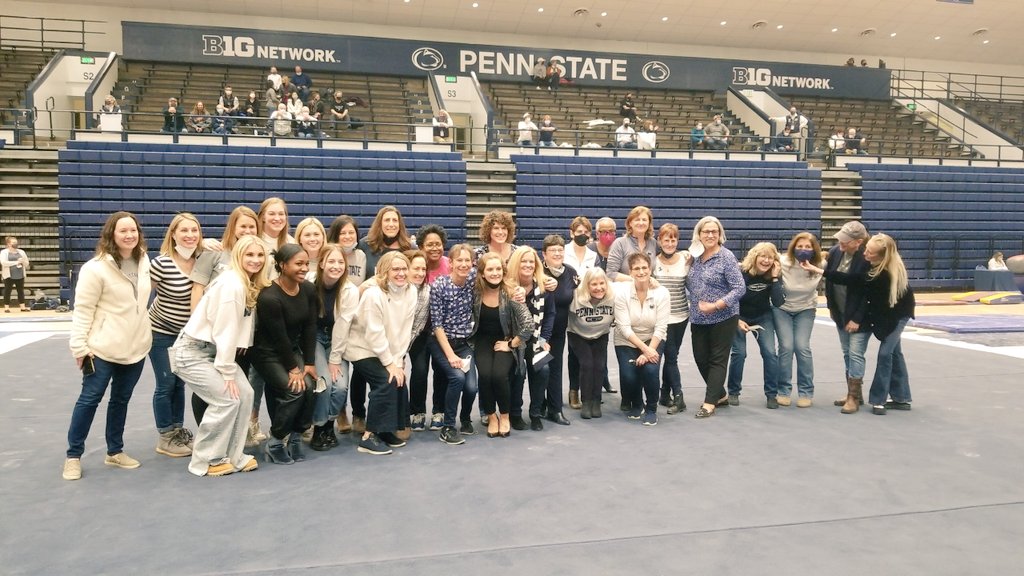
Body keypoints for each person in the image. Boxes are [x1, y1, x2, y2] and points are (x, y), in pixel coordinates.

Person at [63, 212, 152, 481]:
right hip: (101, 349)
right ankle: (73, 456)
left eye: (133, 230)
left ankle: (115, 451)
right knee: (89, 400)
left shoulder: (145, 261)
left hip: (136, 347)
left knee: (121, 400)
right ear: (111, 234)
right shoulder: (95, 268)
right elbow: (83, 310)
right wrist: (79, 347)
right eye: (123, 231)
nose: (129, 235)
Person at [171, 235, 267, 477]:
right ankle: (207, 459)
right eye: (249, 255)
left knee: (245, 394)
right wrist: (226, 372)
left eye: (259, 255)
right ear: (238, 256)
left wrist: (240, 347)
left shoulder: (245, 281)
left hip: (212, 352)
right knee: (227, 398)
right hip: (191, 352)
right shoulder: (232, 285)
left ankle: (235, 455)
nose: (255, 260)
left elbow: (239, 324)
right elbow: (225, 331)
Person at [803, 234, 915, 415]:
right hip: (884, 315)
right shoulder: (873, 269)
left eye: (870, 253)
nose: (865, 254)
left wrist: (881, 328)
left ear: (881, 257)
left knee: (886, 354)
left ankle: (878, 400)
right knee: (895, 353)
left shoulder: (886, 274)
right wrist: (820, 271)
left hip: (897, 316)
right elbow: (850, 279)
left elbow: (887, 303)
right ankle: (902, 398)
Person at [345, 252, 417, 455]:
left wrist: (398, 362)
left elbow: (405, 330)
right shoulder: (373, 294)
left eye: (404, 269)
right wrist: (389, 363)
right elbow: (373, 333)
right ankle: (369, 437)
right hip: (363, 348)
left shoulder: (411, 291)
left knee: (399, 379)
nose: (401, 273)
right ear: (385, 271)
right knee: (386, 381)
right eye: (395, 269)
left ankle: (385, 430)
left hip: (389, 350)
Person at [252, 244, 318, 465]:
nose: (304, 268)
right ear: (282, 265)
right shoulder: (269, 297)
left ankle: (296, 437)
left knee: (311, 386)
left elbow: (310, 327)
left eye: (306, 263)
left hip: (291, 350)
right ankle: (276, 441)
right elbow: (278, 336)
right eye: (298, 264)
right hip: (267, 354)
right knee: (295, 390)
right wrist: (293, 369)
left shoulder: (308, 289)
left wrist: (308, 363)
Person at [148, 213, 203, 459]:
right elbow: (141, 295)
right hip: (161, 331)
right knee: (166, 383)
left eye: (194, 230)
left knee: (180, 383)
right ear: (173, 234)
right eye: (184, 231)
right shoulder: (161, 263)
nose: (190, 235)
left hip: (187, 335)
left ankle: (178, 431)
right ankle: (165, 436)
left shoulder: (203, 259)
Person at [686, 216, 746, 419]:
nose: (710, 235)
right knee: (700, 358)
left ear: (720, 234)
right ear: (699, 235)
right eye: (706, 232)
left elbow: (739, 288)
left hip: (724, 316)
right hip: (698, 317)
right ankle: (719, 394)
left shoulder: (726, 257)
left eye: (714, 231)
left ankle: (709, 402)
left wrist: (716, 305)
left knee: (718, 360)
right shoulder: (694, 257)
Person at [472, 252, 533, 438]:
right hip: (482, 341)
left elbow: (528, 324)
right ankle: (491, 416)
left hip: (505, 340)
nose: (495, 273)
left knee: (499, 375)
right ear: (482, 273)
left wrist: (511, 344)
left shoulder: (511, 292)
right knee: (485, 375)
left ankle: (505, 416)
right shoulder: (475, 291)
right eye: (490, 269)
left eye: (498, 269)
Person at [309, 243, 359, 450]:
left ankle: (329, 424)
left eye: (340, 262)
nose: (336, 266)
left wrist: (335, 359)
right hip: (314, 338)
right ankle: (319, 428)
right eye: (331, 261)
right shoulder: (308, 283)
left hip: (338, 340)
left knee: (340, 386)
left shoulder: (350, 290)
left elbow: (343, 325)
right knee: (325, 383)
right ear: (321, 263)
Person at [429, 244, 479, 444]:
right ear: (450, 263)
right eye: (459, 260)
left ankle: (465, 418)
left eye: (468, 260)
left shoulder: (474, 280)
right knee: (457, 378)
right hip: (441, 343)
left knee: (472, 388)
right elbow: (437, 325)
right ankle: (448, 427)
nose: (464, 264)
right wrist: (450, 355)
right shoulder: (439, 285)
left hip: (464, 342)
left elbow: (500, 274)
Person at [820, 221, 871, 414]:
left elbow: (867, 293)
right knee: (847, 353)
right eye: (840, 239)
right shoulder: (835, 252)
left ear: (858, 242)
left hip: (860, 316)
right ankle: (852, 391)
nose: (840, 243)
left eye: (845, 241)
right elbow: (831, 281)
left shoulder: (867, 257)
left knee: (856, 353)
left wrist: (857, 318)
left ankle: (853, 398)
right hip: (840, 313)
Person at [614, 253, 670, 426]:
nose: (641, 271)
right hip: (626, 340)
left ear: (650, 269)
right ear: (630, 272)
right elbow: (623, 327)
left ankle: (651, 408)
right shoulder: (621, 292)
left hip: (652, 339)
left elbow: (661, 327)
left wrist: (648, 351)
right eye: (636, 268)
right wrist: (644, 350)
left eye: (644, 267)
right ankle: (637, 403)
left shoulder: (662, 293)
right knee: (629, 376)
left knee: (650, 371)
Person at [727, 242, 783, 408]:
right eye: (763, 256)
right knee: (739, 353)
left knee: (770, 353)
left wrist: (774, 278)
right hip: (739, 315)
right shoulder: (741, 272)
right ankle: (733, 391)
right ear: (754, 257)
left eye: (770, 257)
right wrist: (737, 320)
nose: (766, 260)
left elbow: (779, 302)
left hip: (762, 317)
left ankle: (772, 394)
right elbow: (730, 299)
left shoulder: (774, 274)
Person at [506, 246, 555, 431]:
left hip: (536, 340)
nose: (527, 265)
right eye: (523, 261)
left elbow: (550, 315)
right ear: (516, 264)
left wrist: (544, 340)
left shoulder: (544, 286)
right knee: (519, 373)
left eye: (531, 261)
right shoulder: (507, 287)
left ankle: (535, 413)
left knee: (544, 370)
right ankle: (515, 414)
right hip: (514, 341)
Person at [773, 232, 823, 407]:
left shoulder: (820, 264)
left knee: (802, 347)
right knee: (786, 347)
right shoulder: (782, 261)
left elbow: (834, 275)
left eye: (808, 247)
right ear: (793, 247)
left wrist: (817, 269)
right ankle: (783, 390)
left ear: (813, 249)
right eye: (800, 246)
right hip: (782, 309)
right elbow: (758, 259)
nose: (803, 250)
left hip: (806, 309)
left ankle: (806, 391)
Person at [567, 267, 615, 419]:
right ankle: (586, 401)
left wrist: (653, 282)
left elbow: (634, 283)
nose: (599, 288)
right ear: (586, 285)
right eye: (594, 284)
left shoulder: (614, 295)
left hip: (601, 334)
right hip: (578, 334)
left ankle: (596, 400)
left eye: (602, 283)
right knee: (587, 364)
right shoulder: (575, 296)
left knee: (599, 366)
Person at [541, 235, 578, 426]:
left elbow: (582, 294)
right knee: (539, 369)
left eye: (560, 250)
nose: (557, 253)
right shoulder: (537, 271)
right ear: (544, 254)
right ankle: (537, 407)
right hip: (537, 332)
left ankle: (555, 410)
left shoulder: (571, 272)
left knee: (555, 368)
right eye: (552, 250)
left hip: (559, 332)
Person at [653, 223, 690, 414]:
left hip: (681, 316)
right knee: (671, 356)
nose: (670, 243)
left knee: (670, 356)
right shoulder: (653, 262)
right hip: (660, 318)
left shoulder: (685, 260)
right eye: (666, 239)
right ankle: (678, 396)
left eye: (673, 239)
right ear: (659, 241)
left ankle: (664, 393)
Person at [359, 205, 414, 281]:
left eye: (395, 220)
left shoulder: (410, 247)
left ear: (399, 224)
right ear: (380, 223)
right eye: (387, 220)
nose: (391, 224)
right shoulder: (365, 244)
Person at [606, 205, 656, 282]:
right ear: (630, 223)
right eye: (637, 220)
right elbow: (610, 274)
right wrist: (636, 280)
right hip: (625, 291)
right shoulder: (620, 243)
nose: (641, 223)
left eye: (644, 220)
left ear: (649, 223)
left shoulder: (653, 243)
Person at [327, 215, 368, 285]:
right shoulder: (327, 254)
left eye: (351, 232)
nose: (347, 236)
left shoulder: (361, 256)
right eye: (342, 233)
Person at [2, 236, 29, 313]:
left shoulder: (21, 252)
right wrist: (16, 262)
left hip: (20, 275)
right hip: (8, 275)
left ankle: (22, 307)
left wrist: (22, 261)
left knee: (20, 291)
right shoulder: (4, 252)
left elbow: (27, 263)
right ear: (8, 244)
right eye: (13, 242)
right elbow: (3, 263)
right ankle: (6, 308)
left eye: (16, 242)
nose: (15, 243)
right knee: (7, 291)